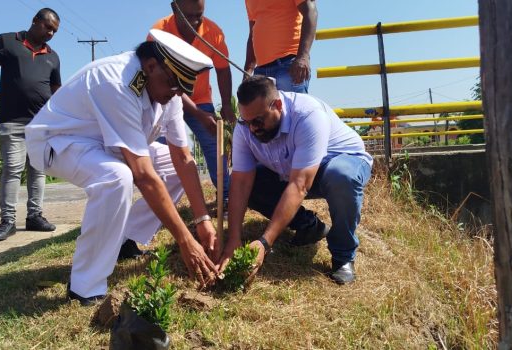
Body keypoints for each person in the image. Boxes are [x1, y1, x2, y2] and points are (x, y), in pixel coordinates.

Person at [25, 29, 221, 305]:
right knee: (116, 177)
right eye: (172, 85)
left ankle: (123, 239)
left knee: (167, 162)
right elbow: (143, 174)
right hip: (61, 140)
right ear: (151, 66)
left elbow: (184, 160)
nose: (175, 94)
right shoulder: (116, 81)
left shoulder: (169, 92)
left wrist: (203, 223)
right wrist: (185, 240)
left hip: (107, 143)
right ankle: (85, 285)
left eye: (181, 89)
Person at [218, 76, 372, 285]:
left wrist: (265, 242)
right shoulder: (245, 128)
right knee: (252, 184)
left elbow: (300, 185)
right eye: (246, 121)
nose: (252, 129)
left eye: (258, 120)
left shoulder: (308, 114)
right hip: (292, 170)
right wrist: (234, 240)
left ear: (278, 105)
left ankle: (343, 255)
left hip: (338, 163)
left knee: (341, 178)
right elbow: (240, 182)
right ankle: (309, 226)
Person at [116, 0, 234, 261]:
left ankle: (226, 198)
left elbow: (223, 70)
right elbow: (169, 86)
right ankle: (150, 215)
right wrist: (185, 238)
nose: (195, 23)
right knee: (144, 169)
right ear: (174, 7)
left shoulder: (214, 32)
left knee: (200, 153)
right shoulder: (159, 32)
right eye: (188, 16)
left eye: (199, 17)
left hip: (194, 98)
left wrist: (225, 107)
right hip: (166, 95)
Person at [0, 8, 61, 243]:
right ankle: (8, 220)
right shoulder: (7, 41)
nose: (51, 33)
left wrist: (63, 119)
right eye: (47, 27)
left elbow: (57, 91)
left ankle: (35, 216)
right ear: (35, 21)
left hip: (42, 123)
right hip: (12, 121)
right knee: (12, 170)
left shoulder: (53, 56)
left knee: (38, 171)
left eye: (54, 31)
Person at [243, 0, 317, 93]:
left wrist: (303, 57)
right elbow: (252, 33)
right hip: (261, 72)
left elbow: (311, 11)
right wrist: (248, 71)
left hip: (289, 65)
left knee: (293, 107)